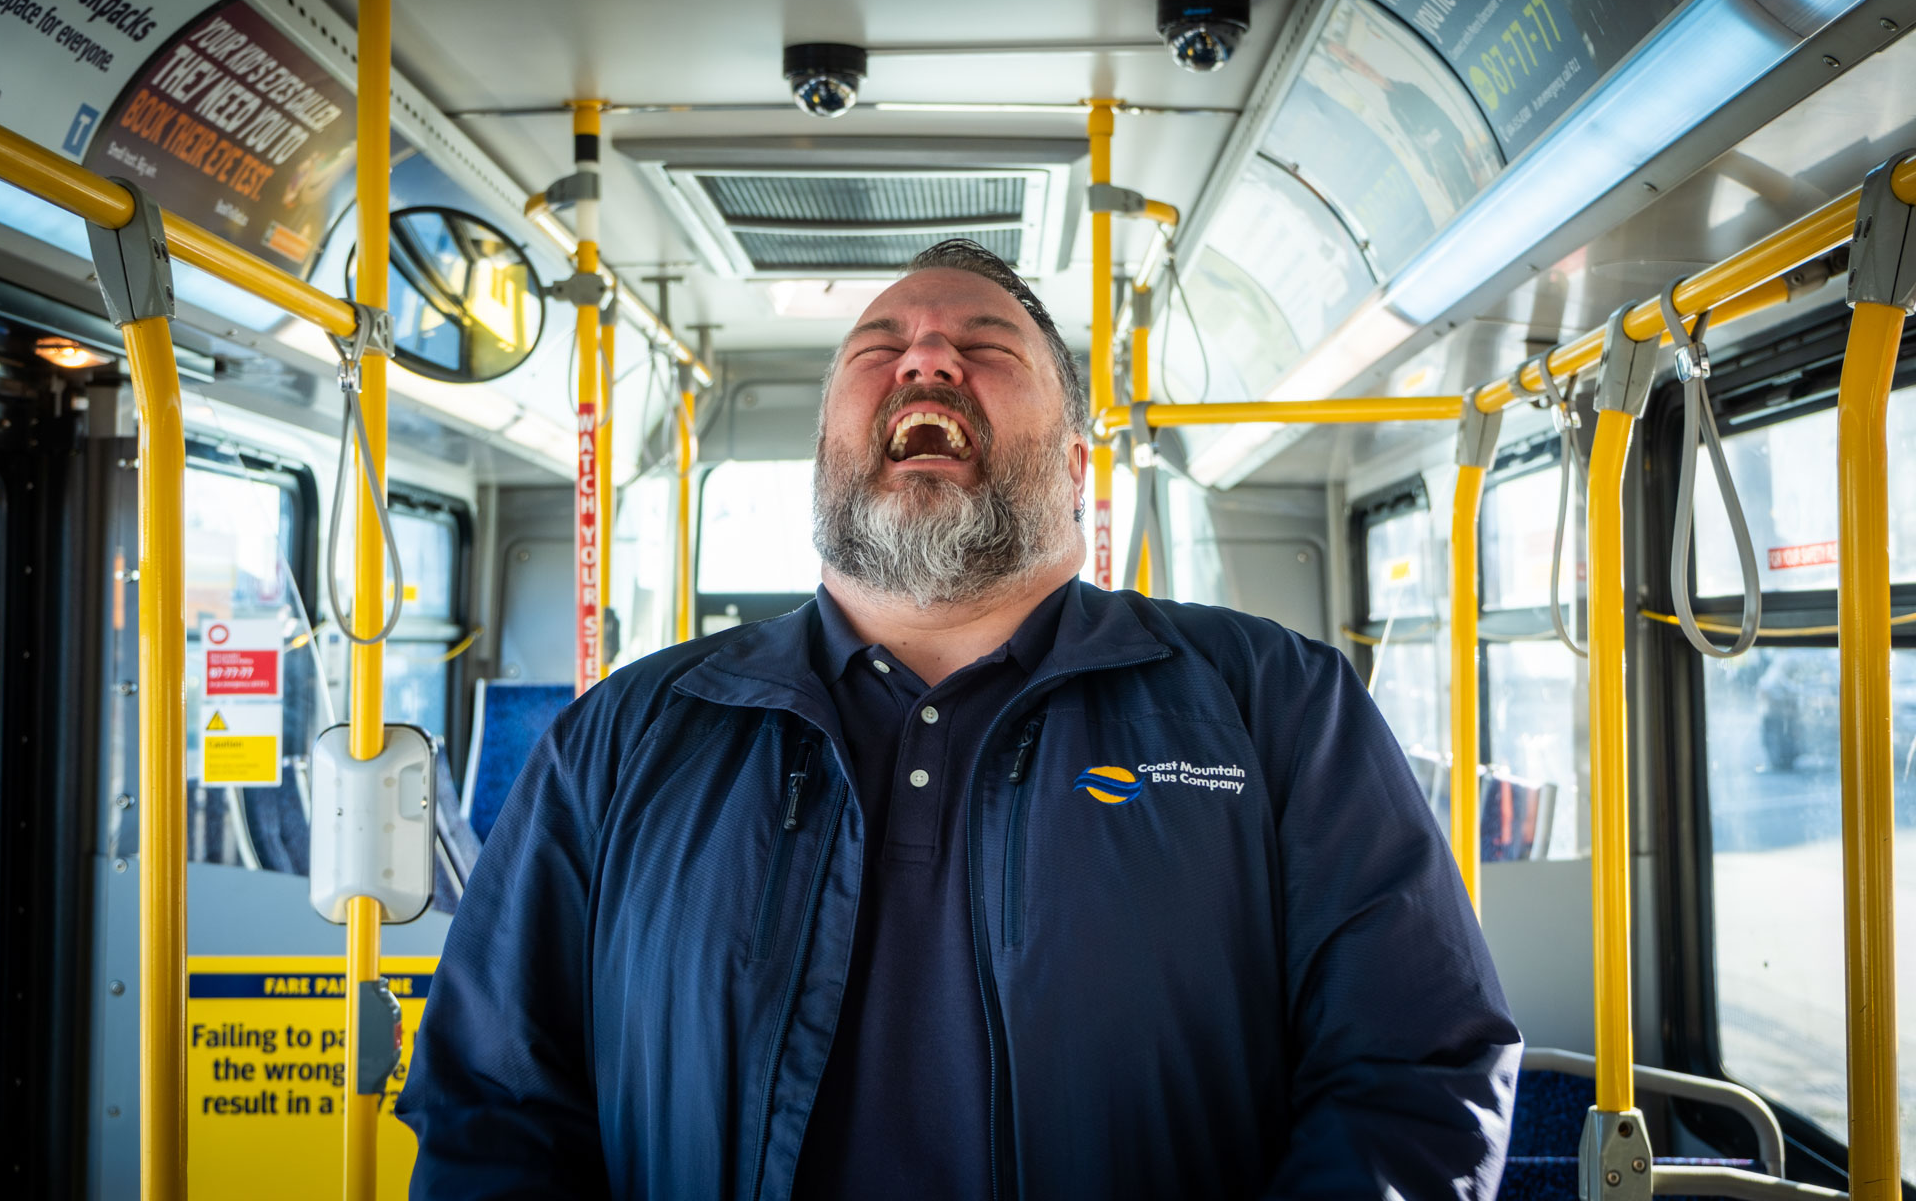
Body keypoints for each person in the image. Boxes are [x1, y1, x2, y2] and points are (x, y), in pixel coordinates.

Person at [398, 239, 1521, 1199]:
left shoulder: (1272, 703)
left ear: (1079, 467)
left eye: (982, 346)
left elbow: (1416, 1065)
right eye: (879, 347)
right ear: (825, 458)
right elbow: (494, 1107)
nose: (925, 357)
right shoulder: (625, 737)